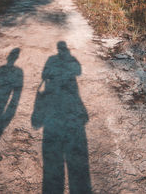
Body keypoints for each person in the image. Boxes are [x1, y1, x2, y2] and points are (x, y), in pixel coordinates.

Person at [32, 41, 92, 194]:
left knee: (53, 161)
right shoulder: (62, 59)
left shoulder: (52, 59)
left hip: (55, 105)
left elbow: (45, 75)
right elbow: (78, 72)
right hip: (69, 101)